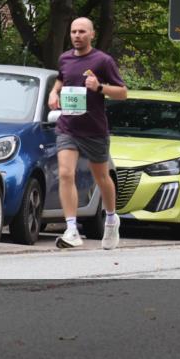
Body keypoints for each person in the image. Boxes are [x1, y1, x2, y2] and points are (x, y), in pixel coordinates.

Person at [48, 17, 128, 250]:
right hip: (68, 127)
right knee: (65, 174)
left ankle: (111, 219)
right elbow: (61, 79)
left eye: (82, 31)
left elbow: (123, 93)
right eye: (74, 31)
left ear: (92, 34)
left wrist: (99, 87)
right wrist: (54, 93)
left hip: (94, 130)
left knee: (102, 178)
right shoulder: (65, 58)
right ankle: (72, 229)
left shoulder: (103, 61)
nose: (77, 35)